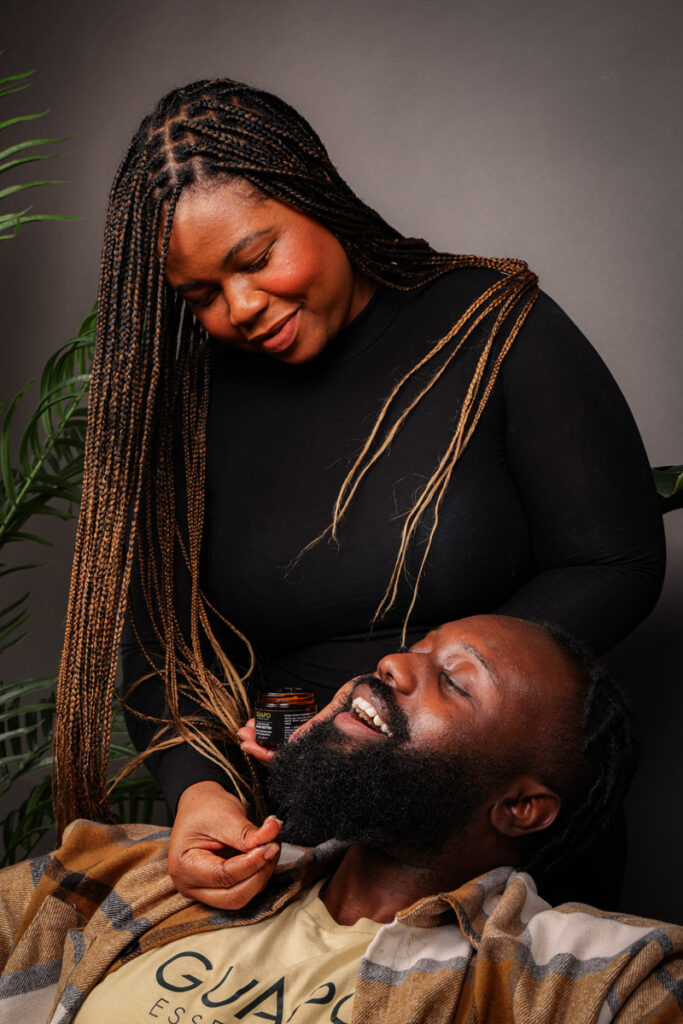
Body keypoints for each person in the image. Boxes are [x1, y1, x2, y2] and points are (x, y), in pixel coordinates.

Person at [53, 78, 665, 910]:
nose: (240, 306)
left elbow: (614, 561)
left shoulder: (491, 327)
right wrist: (202, 795)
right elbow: (164, 654)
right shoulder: (187, 410)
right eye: (199, 295)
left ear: (320, 201)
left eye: (255, 258)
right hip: (295, 825)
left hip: (494, 828)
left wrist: (394, 695)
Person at [5, 616, 682, 1024]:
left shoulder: (573, 975)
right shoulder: (141, 874)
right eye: (416, 645)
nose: (392, 661)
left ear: (519, 807)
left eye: (456, 680)